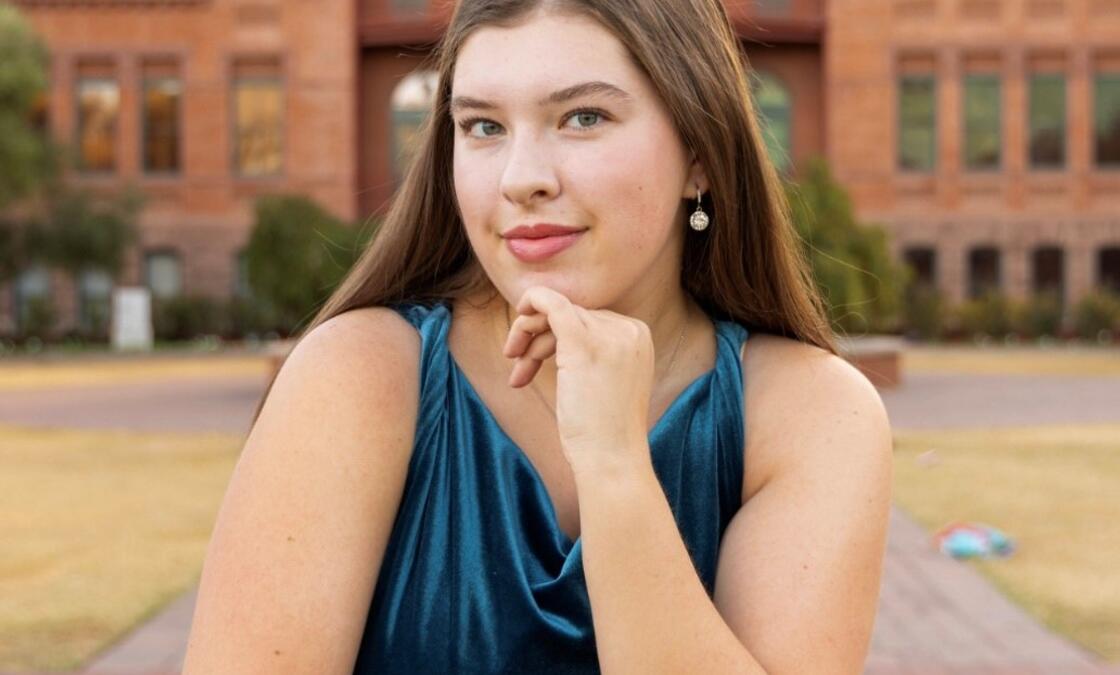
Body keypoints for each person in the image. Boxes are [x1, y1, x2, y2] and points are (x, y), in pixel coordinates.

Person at [182, 0, 893, 673]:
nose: (521, 179)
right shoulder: (357, 378)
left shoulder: (813, 416)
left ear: (701, 153)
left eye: (582, 117)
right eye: (483, 127)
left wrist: (615, 464)